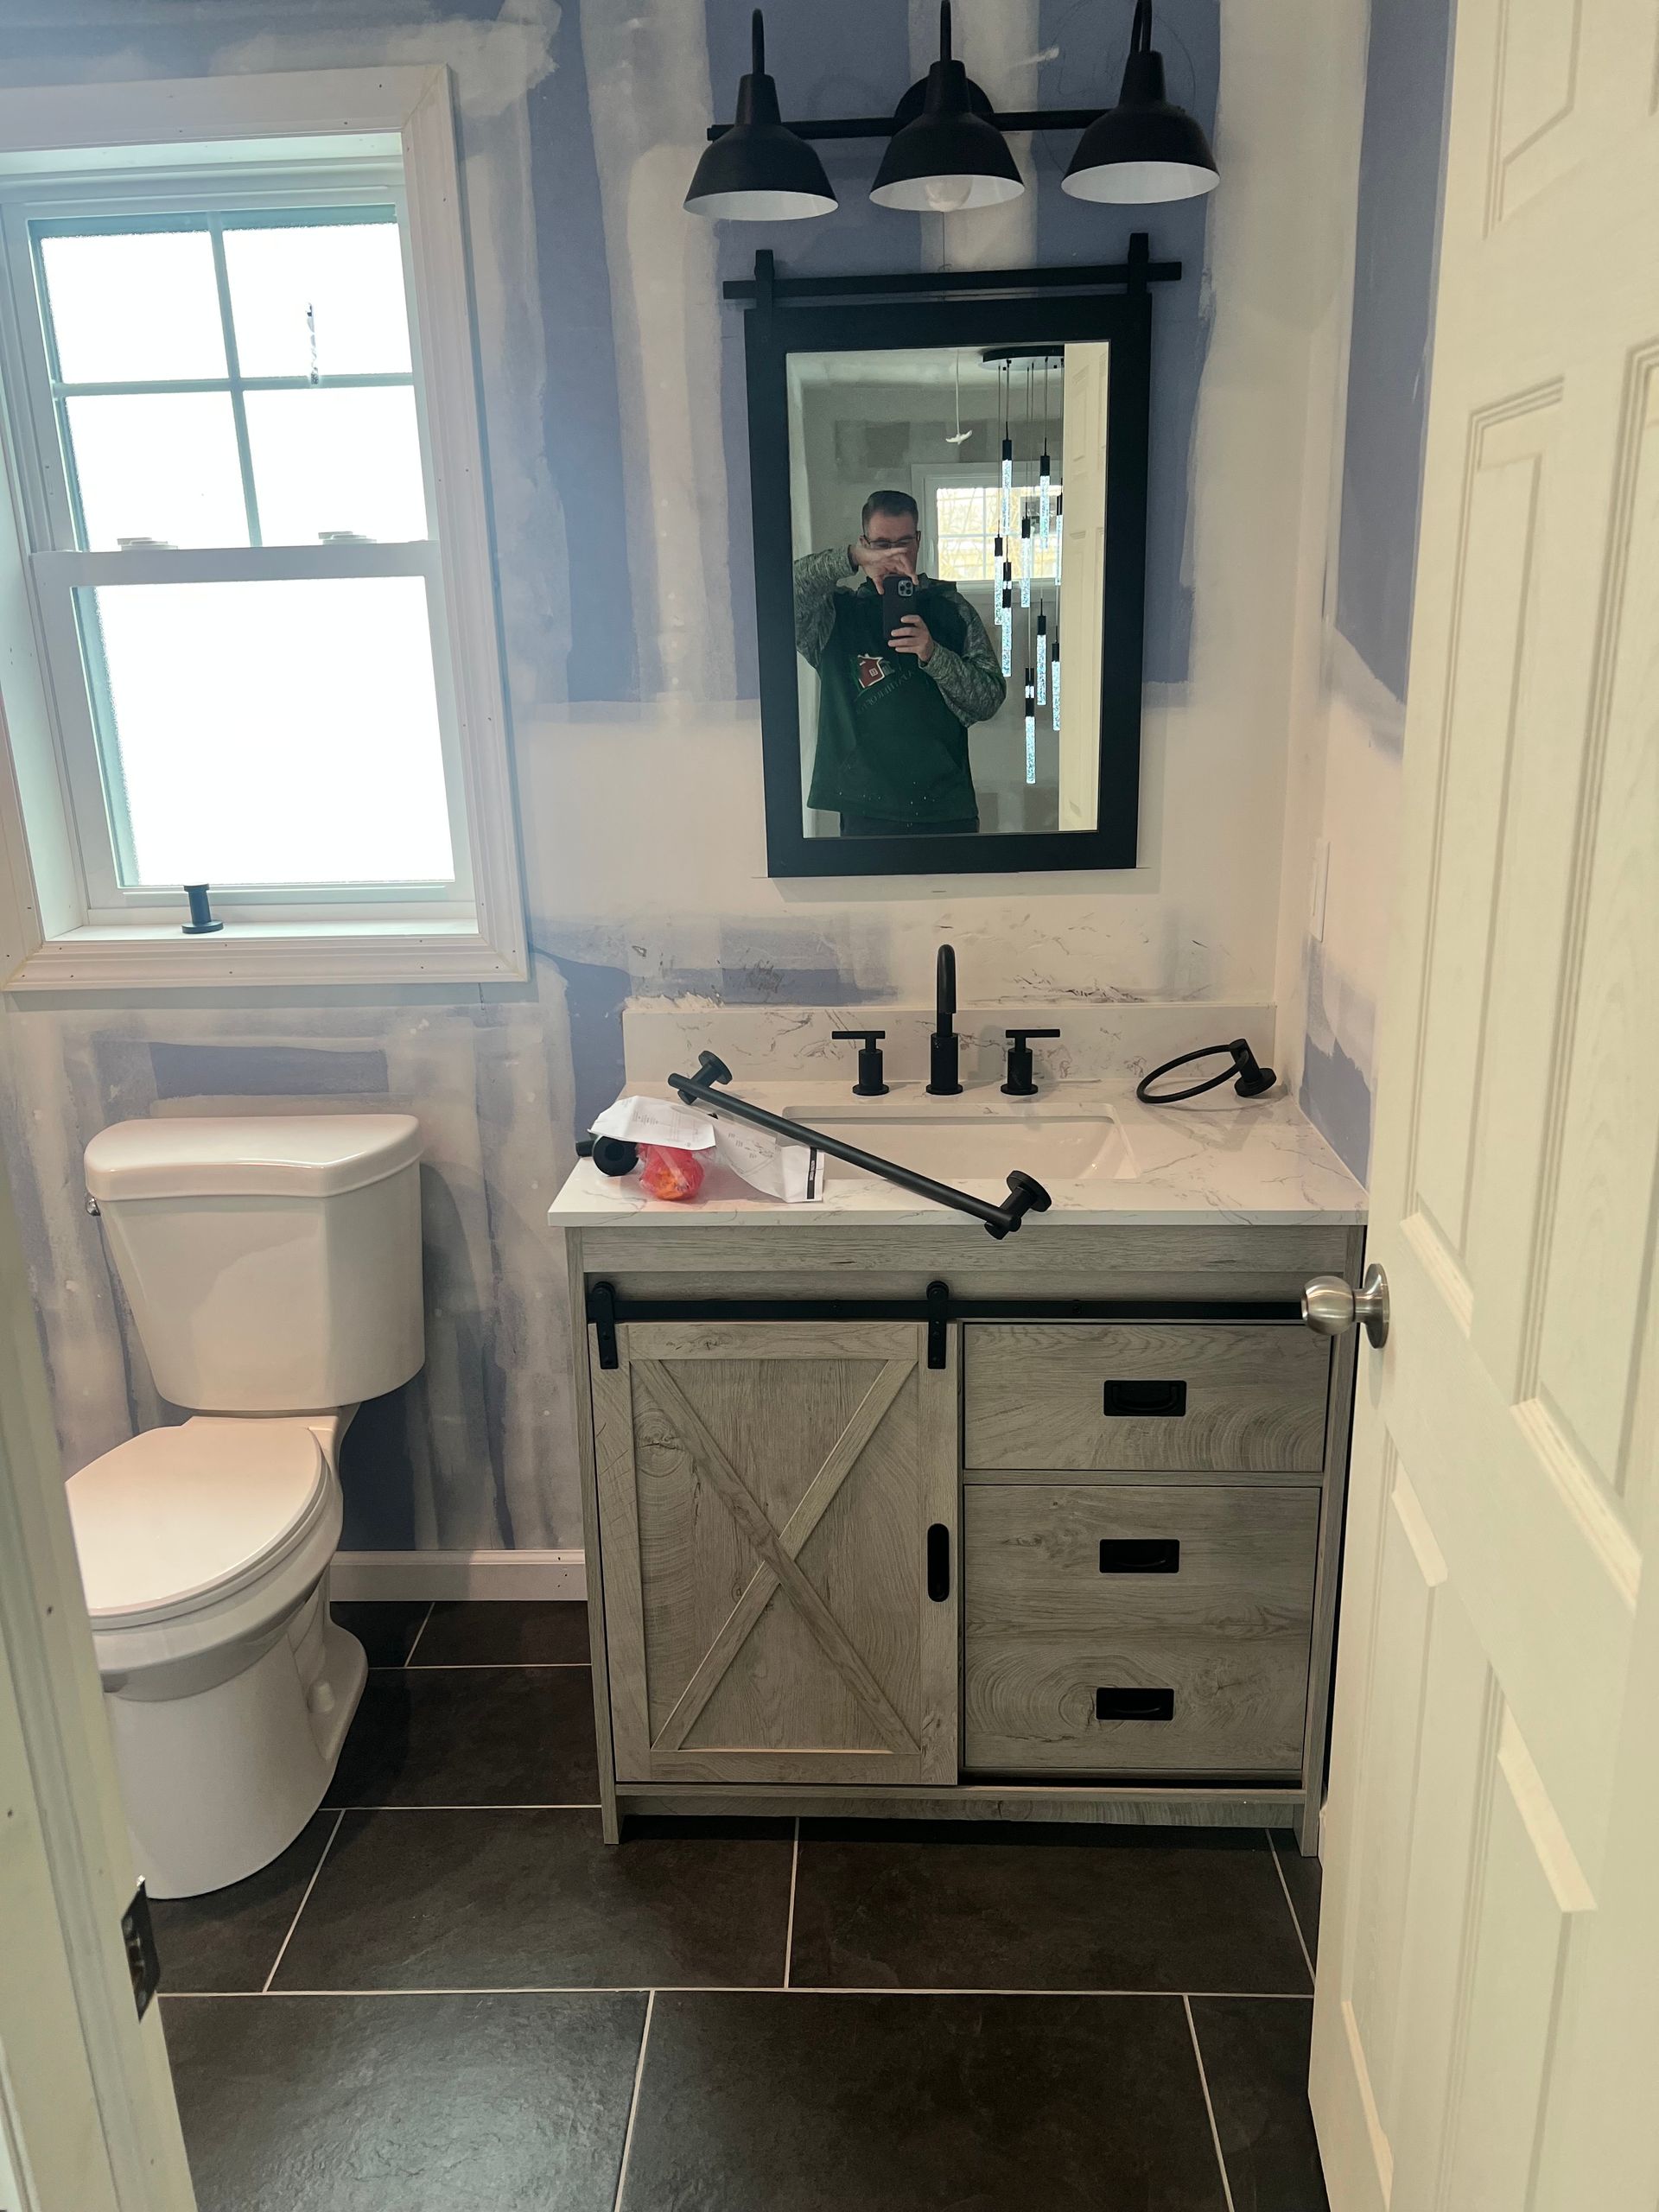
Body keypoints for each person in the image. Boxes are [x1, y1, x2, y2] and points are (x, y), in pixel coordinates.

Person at [793, 489, 1005, 836]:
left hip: (945, 808)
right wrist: (849, 557)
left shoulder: (951, 608)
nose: (893, 554)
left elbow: (989, 699)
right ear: (864, 544)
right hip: (864, 807)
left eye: (904, 542)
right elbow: (783, 590)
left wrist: (933, 654)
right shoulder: (834, 616)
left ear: (919, 541)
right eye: (880, 544)